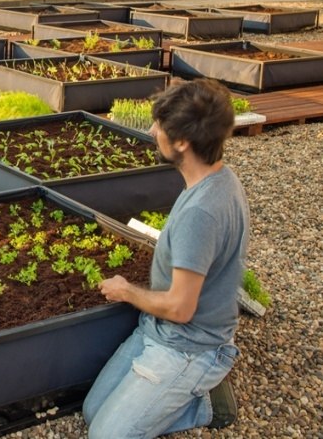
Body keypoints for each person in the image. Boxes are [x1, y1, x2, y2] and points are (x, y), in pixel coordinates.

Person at [82, 78, 249, 438]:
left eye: (160, 126)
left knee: (104, 436)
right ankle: (186, 401)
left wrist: (126, 290)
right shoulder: (220, 178)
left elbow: (180, 309)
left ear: (182, 142)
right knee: (91, 411)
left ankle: (208, 402)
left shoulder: (201, 213)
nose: (152, 130)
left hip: (189, 347)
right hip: (158, 331)